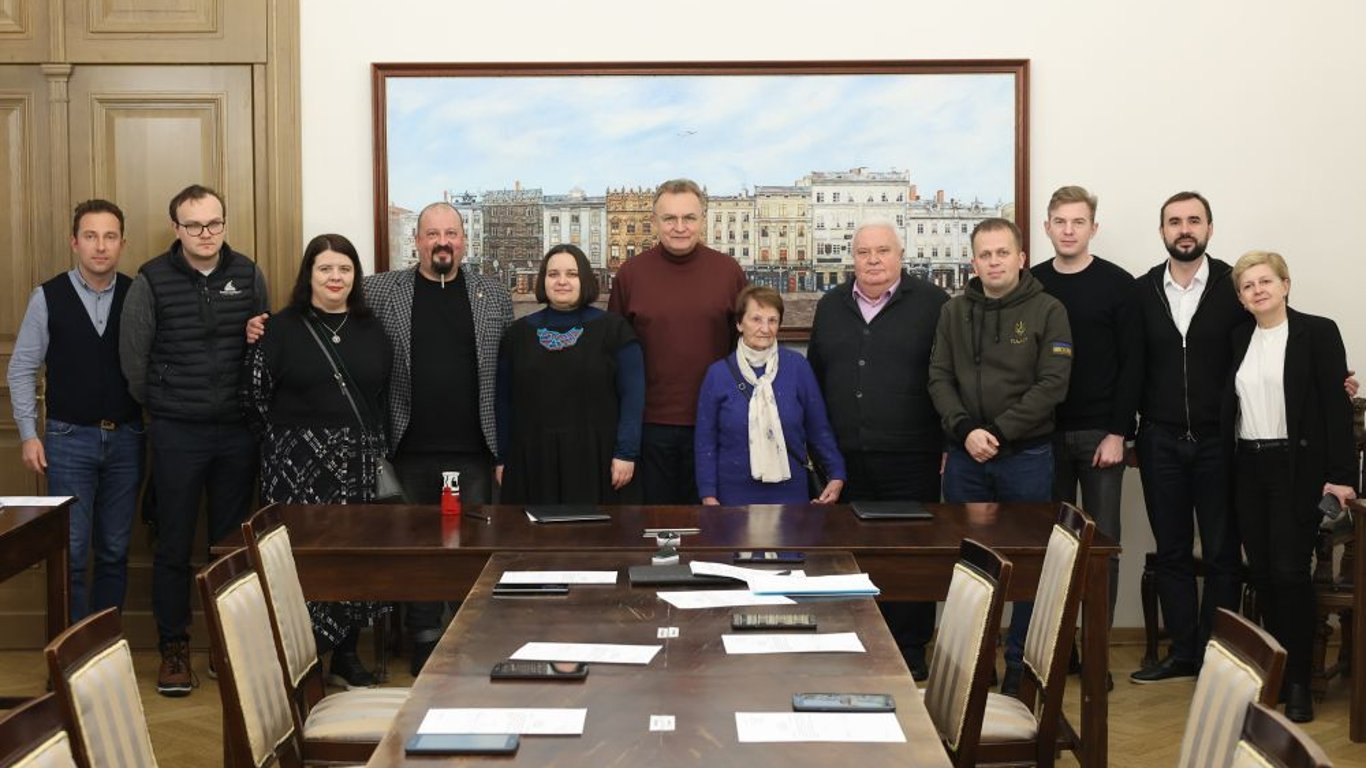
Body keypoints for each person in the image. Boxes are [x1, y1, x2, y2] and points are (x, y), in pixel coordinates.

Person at [120, 184, 269, 697]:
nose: (206, 234)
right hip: (177, 432)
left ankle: (227, 646)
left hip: (237, 432)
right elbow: (134, 363)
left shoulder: (248, 273)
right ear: (176, 229)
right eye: (194, 225)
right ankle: (174, 648)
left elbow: (263, 346)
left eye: (214, 223)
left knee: (229, 547)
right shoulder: (151, 280)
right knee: (173, 544)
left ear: (224, 223)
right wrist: (167, 403)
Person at [241, 233, 393, 689]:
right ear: (309, 274)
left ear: (355, 276)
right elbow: (254, 396)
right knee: (301, 562)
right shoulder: (279, 328)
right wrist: (290, 445)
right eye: (325, 268)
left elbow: (383, 397)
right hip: (296, 468)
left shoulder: (372, 328)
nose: (335, 277)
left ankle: (346, 655)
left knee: (354, 559)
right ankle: (302, 660)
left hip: (358, 467)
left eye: (344, 269)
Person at [928, 217, 1072, 694]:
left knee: (1028, 567)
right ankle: (973, 665)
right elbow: (938, 377)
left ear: (1021, 258)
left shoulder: (1049, 309)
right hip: (966, 458)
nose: (994, 262)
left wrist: (997, 432)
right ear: (974, 262)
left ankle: (1018, 668)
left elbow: (1052, 385)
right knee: (968, 565)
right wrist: (965, 430)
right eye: (985, 255)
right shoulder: (953, 312)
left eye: (1002, 253)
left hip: (1026, 457)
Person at [807, 219, 948, 680]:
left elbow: (949, 376)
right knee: (851, 553)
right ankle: (856, 643)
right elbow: (817, 378)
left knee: (910, 556)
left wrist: (948, 441)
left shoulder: (933, 304)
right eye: (863, 252)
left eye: (883, 251)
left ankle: (909, 650)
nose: (873, 260)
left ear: (900, 255)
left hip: (913, 454)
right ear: (852, 258)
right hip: (845, 458)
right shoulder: (831, 306)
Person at [1222, 251, 1356, 723]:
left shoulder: (1318, 332)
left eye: (1265, 281)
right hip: (1248, 466)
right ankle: (1274, 676)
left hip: (1296, 469)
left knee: (1290, 573)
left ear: (1285, 285)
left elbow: (1336, 410)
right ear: (1241, 299)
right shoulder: (1238, 338)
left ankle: (1299, 681)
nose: (1257, 290)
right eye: (1247, 286)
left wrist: (1342, 477)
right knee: (1261, 574)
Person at [1130, 191, 1247, 685]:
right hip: (1159, 440)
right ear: (1162, 231)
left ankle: (1216, 654)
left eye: (1194, 220)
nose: (1184, 229)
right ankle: (1183, 653)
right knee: (1172, 551)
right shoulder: (1141, 290)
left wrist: (1330, 378)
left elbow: (1275, 337)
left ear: (1209, 229)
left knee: (1221, 552)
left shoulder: (1235, 285)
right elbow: (1128, 363)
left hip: (1220, 441)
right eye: (1174, 221)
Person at [7, 199, 144, 623]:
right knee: (73, 551)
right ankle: (72, 649)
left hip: (127, 438)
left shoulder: (137, 295)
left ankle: (105, 646)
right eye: (90, 236)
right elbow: (22, 368)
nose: (100, 246)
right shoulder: (47, 296)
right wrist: (29, 434)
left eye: (109, 236)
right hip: (68, 441)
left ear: (122, 243)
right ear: (75, 242)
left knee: (115, 550)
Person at [1031, 186, 1142, 672]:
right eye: (1060, 221)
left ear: (1093, 228)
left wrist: (1119, 432)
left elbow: (1133, 364)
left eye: (1079, 222)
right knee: (1052, 548)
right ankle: (1057, 654)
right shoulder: (1031, 283)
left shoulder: (1119, 285)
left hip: (1102, 436)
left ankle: (1095, 653)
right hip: (1042, 436)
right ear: (1047, 227)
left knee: (1102, 548)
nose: (1069, 230)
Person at [608, 179, 747, 504]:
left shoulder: (729, 272)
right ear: (654, 222)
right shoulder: (630, 274)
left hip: (715, 422)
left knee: (711, 523)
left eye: (689, 218)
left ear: (703, 220)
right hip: (649, 427)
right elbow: (614, 356)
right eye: (670, 218)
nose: (680, 227)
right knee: (654, 522)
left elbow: (743, 348)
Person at [495, 244, 644, 504]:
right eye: (553, 274)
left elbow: (633, 396)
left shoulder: (615, 330)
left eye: (572, 274)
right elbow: (503, 401)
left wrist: (626, 453)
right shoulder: (517, 334)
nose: (562, 281)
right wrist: (502, 458)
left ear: (584, 279)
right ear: (543, 280)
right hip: (532, 459)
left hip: (598, 459)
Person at [695, 286, 845, 505]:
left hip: (791, 494)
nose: (765, 329)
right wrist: (708, 494)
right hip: (732, 496)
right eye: (756, 319)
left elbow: (818, 428)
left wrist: (836, 473)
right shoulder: (718, 374)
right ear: (739, 323)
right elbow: (705, 441)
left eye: (772, 320)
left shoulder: (797, 367)